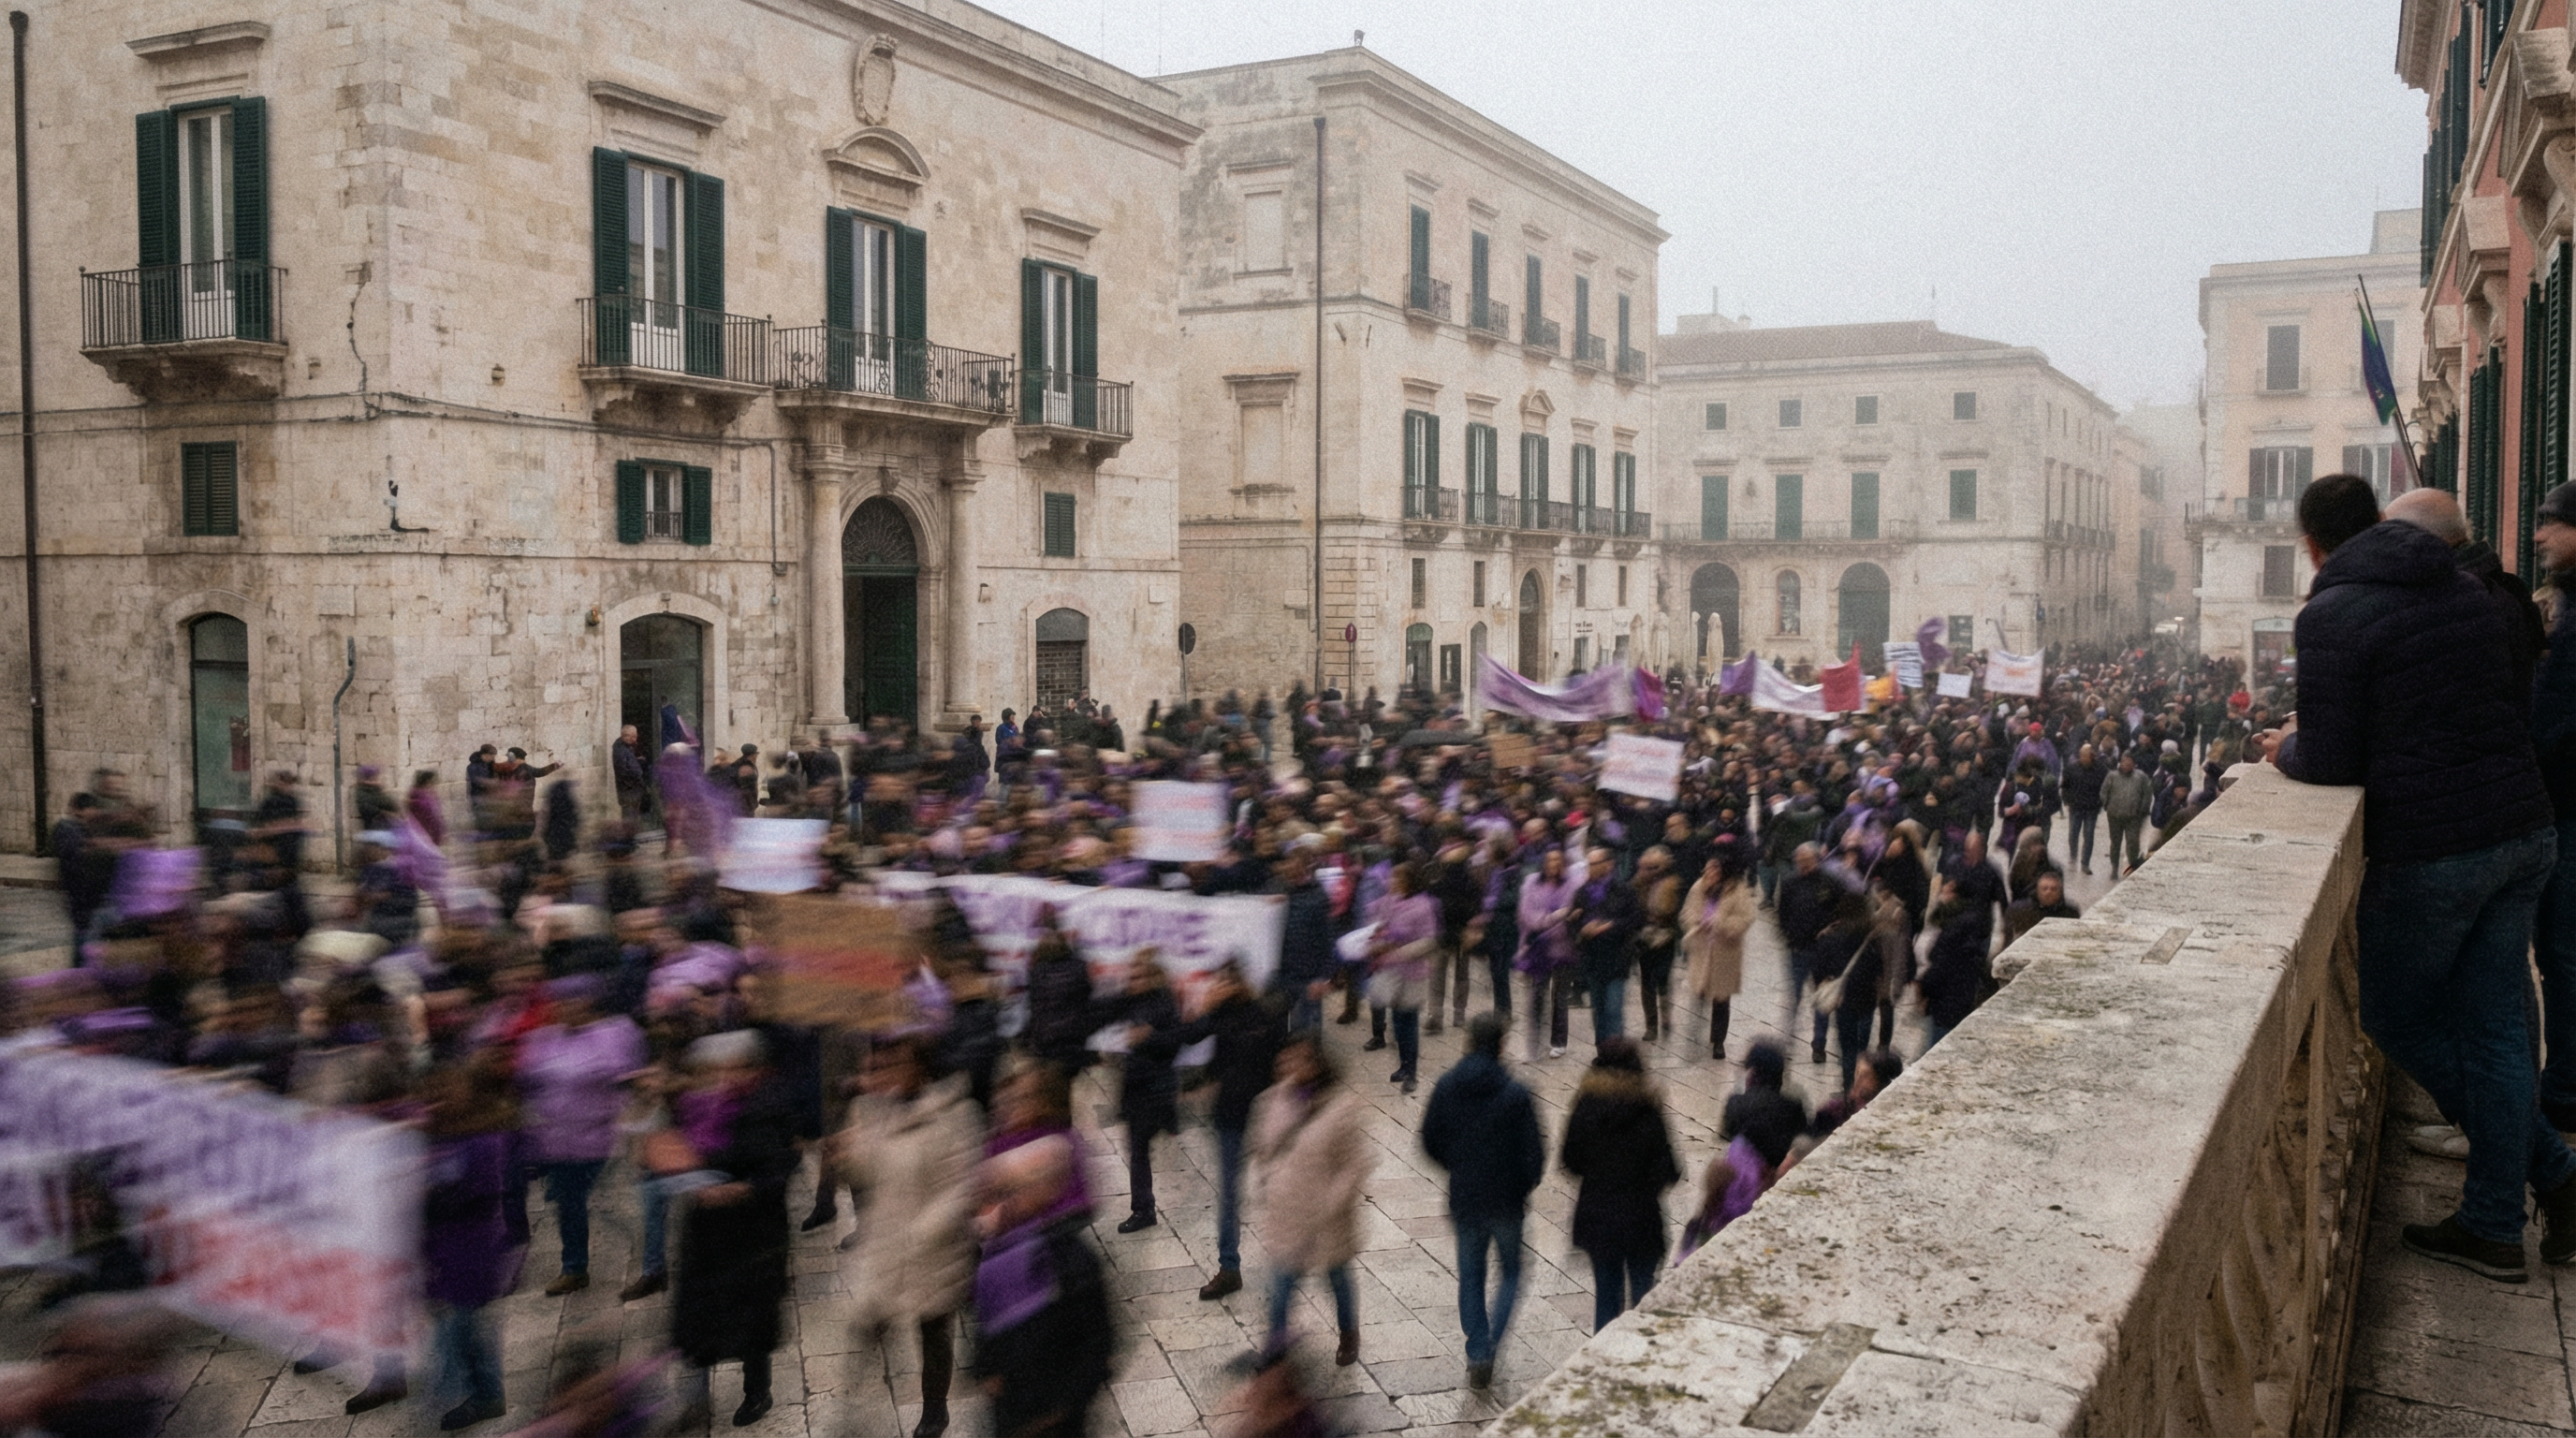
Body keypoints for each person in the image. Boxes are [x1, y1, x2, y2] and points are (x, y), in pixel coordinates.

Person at [2263, 473, 2572, 1283]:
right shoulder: (2468, 589)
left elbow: (2330, 759)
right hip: (2523, 828)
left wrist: (2283, 748)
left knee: (2396, 1018)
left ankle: (2549, 1174)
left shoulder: (2331, 613)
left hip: (2438, 848)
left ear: (2311, 545)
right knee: (2497, 1033)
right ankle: (2498, 1221)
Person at [835, 1034, 980, 1438]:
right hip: (885, 1241)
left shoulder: (957, 1112)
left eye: (894, 1063)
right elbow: (866, 1173)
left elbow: (963, 1185)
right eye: (881, 1064)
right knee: (868, 1322)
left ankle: (935, 1412)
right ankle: (854, 1408)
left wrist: (923, 1232)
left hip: (934, 1248)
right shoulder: (874, 1110)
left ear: (920, 1066)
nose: (885, 1072)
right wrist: (844, 1158)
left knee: (932, 1331)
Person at [653, 1030, 797, 1426]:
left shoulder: (770, 1105)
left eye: (735, 1067)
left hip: (756, 1231)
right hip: (707, 1230)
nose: (725, 1076)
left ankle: (757, 1391)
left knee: (752, 1314)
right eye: (717, 1068)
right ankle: (695, 1399)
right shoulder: (698, 1105)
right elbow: (670, 1145)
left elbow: (781, 1168)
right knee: (697, 1315)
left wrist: (741, 1190)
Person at [1418, 1013, 1545, 1389]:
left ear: (1469, 1042)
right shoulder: (1517, 1093)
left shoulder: (1446, 1086)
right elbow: (1534, 1154)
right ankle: (1491, 1344)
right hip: (1507, 1201)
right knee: (1512, 1271)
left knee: (1471, 1274)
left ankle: (1478, 1349)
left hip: (1466, 1198)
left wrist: (1456, 1166)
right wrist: (1523, 1185)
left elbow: (1429, 1140)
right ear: (1501, 1045)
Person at [972, 1135, 1116, 1438]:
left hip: (1056, 1420)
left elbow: (1098, 1342)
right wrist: (987, 1370)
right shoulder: (995, 1255)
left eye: (1011, 1193)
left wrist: (1062, 1407)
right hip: (1012, 1412)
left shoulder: (1071, 1259)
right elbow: (986, 1321)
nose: (996, 1207)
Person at [1250, 1034, 1372, 1365]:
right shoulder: (1272, 1100)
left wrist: (1332, 1204)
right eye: (1286, 1058)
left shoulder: (1342, 1108)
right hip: (1286, 1214)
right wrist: (1269, 1182)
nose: (1288, 1065)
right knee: (1281, 1286)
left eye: (1298, 1058)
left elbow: (1356, 1164)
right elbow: (1263, 1149)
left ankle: (1348, 1333)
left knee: (1337, 1277)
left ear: (1317, 1063)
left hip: (1326, 1218)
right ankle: (1276, 1349)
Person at [518, 976, 645, 1298]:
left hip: (599, 1139)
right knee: (569, 1204)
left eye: (569, 1001)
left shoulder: (615, 1033)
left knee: (599, 1203)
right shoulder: (544, 1038)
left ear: (587, 1002)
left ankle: (645, 1260)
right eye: (557, 1002)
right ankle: (574, 1268)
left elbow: (626, 1078)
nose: (561, 1008)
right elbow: (528, 1079)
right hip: (555, 1140)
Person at [1172, 959, 1282, 1300]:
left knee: (1276, 1188)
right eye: (1221, 981)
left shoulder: (1265, 1015)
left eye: (1231, 980)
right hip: (1229, 1116)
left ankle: (1287, 1261)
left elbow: (1278, 1065)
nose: (1226, 986)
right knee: (1231, 1194)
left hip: (1265, 1117)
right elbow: (1185, 1038)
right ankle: (1229, 1268)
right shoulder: (1218, 1013)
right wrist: (1204, 1009)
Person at [417, 1062, 515, 1431]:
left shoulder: (483, 1141)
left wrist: (428, 1194)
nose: (438, 1101)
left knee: (467, 1329)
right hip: (444, 1252)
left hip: (470, 1252)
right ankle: (482, 1392)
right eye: (433, 1094)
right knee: (464, 1329)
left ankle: (484, 1395)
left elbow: (476, 1193)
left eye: (447, 1092)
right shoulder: (439, 1137)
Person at [1558, 1036, 1679, 1331]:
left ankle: (1603, 1353)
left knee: (1606, 1297)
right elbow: (1669, 1169)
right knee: (1643, 1297)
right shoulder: (1648, 1107)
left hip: (1599, 1218)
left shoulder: (1586, 1106)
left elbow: (1570, 1161)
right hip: (1642, 1219)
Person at [2531, 481, 2576, 1134]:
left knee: (2564, 957)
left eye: (2551, 522)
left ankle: (2565, 1093)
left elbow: (2560, 717)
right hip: (2561, 804)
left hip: (2566, 806)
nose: (2538, 534)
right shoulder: (2565, 604)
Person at [1098, 951, 1183, 1232]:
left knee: (1138, 1151)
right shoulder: (1131, 1000)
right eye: (1131, 977)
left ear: (1152, 977)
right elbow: (1104, 1012)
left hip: (1154, 1090)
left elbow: (1175, 1042)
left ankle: (1143, 1210)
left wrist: (1148, 1037)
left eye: (1138, 977)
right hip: (1135, 1087)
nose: (1132, 981)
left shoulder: (1164, 1003)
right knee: (1137, 1150)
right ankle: (1143, 1208)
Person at [1368, 862, 1437, 1093]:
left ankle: (1412, 1073)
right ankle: (1403, 1065)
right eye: (1392, 877)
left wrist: (1397, 953)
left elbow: (1428, 941)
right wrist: (1376, 936)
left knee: (1409, 1022)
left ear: (1410, 881)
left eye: (1397, 878)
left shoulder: (1423, 906)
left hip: (1412, 973)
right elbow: (1377, 921)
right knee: (1397, 1022)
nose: (1392, 881)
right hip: (1391, 971)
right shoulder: (1390, 901)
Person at [1681, 851, 1754, 1061]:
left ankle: (1718, 1041)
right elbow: (1687, 913)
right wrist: (1696, 922)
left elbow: (1746, 917)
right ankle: (1694, 1035)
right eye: (1708, 869)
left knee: (1721, 999)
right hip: (1702, 950)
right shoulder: (1699, 887)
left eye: (1714, 869)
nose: (1709, 873)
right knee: (1699, 994)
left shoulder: (1737, 889)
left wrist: (1720, 924)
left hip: (1725, 952)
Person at [1774, 844, 1837, 1064]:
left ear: (1816, 859)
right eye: (1800, 861)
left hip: (1822, 951)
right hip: (1798, 949)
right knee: (1795, 996)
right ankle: (1787, 1041)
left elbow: (1837, 912)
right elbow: (1782, 913)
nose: (1803, 865)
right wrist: (1789, 936)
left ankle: (1819, 1044)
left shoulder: (1828, 882)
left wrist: (1830, 934)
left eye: (1807, 860)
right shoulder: (1790, 882)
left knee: (1821, 998)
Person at [1515, 845, 1580, 1059]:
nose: (1554, 864)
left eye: (1558, 860)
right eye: (1550, 860)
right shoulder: (1531, 883)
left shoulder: (1573, 884)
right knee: (1537, 996)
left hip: (1563, 948)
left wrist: (1552, 922)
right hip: (1537, 948)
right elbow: (1526, 914)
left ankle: (1559, 1041)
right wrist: (1552, 918)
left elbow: (1570, 914)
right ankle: (1533, 1044)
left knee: (1560, 997)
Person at [1632, 846, 1684, 1044]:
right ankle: (1651, 1025)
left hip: (1665, 936)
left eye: (1654, 867)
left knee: (1663, 977)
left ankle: (1666, 1017)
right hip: (1645, 937)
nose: (1650, 871)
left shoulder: (1672, 883)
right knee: (1646, 982)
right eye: (1647, 867)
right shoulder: (1639, 883)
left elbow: (1674, 910)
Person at [2100, 754, 2153, 876]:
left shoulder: (2141, 777)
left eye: (2130, 763)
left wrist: (2142, 809)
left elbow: (2147, 794)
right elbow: (2104, 792)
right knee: (2115, 843)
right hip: (2115, 816)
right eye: (2125, 763)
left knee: (2133, 843)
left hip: (2133, 817)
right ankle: (2114, 867)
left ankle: (2132, 866)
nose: (2127, 766)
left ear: (2134, 765)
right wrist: (2108, 806)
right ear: (2121, 763)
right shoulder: (2112, 776)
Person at [2002, 870, 2081, 946]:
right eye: (2045, 888)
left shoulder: (2070, 914)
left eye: (2053, 889)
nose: (2048, 892)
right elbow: (2007, 940)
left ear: (2060, 892)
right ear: (2038, 890)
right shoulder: (2019, 911)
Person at [2061, 742, 2106, 875]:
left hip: (2092, 808)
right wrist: (2067, 801)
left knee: (2089, 836)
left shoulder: (2100, 769)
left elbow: (2106, 786)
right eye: (2082, 755)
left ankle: (2085, 863)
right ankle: (2073, 855)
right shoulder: (2072, 768)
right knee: (2073, 834)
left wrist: (2101, 802)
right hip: (2076, 807)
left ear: (2092, 756)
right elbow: (2065, 786)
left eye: (2086, 755)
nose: (2084, 758)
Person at [610, 725, 649, 822]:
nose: (634, 739)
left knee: (632, 814)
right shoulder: (621, 750)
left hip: (630, 789)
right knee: (630, 817)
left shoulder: (624, 747)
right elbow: (624, 771)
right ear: (626, 736)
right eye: (633, 736)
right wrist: (635, 782)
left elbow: (628, 763)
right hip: (629, 790)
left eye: (635, 736)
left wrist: (636, 760)